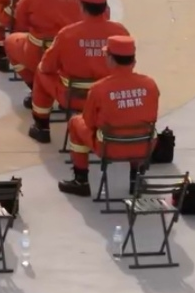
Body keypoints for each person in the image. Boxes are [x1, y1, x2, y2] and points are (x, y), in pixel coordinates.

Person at [28, 0, 131, 142]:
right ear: (105, 7)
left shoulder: (68, 34)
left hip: (74, 97)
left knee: (41, 72)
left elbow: (48, 66)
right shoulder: (120, 31)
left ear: (81, 6)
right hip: (109, 98)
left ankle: (41, 126)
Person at [59, 34, 160, 197]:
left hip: (109, 147)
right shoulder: (150, 84)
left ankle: (81, 180)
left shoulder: (99, 88)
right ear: (134, 61)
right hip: (145, 147)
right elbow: (152, 116)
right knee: (137, 126)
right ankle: (135, 180)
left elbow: (89, 122)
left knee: (75, 123)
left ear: (111, 60)